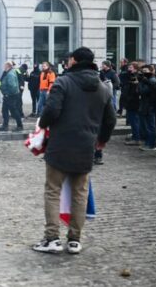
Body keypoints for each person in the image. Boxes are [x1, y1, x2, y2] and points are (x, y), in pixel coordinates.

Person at [33, 47, 116, 255]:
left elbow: (51, 110)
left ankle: (52, 238)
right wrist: (102, 140)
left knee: (53, 191)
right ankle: (74, 240)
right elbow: (111, 119)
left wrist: (42, 124)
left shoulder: (63, 82)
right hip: (86, 146)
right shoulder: (103, 88)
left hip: (60, 145)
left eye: (69, 59)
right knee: (80, 194)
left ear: (74, 61)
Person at [138, 65, 156, 151]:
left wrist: (141, 83)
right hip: (145, 105)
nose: (144, 72)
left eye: (145, 70)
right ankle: (148, 143)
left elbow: (143, 91)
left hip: (150, 106)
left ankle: (151, 144)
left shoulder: (152, 80)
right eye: (143, 70)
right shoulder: (147, 80)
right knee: (147, 125)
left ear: (151, 70)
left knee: (150, 126)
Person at [0, 61, 24, 132]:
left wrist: (7, 93)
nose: (3, 68)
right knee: (4, 110)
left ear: (8, 66)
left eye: (4, 66)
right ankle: (5, 126)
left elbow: (13, 87)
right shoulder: (8, 73)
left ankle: (19, 126)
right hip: (8, 95)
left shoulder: (10, 74)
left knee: (13, 111)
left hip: (11, 95)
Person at [122, 62, 142, 146]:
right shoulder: (130, 76)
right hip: (130, 101)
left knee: (134, 121)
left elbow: (135, 92)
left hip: (133, 102)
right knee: (132, 120)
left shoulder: (136, 77)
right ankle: (135, 136)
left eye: (131, 67)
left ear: (135, 68)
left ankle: (136, 138)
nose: (129, 68)